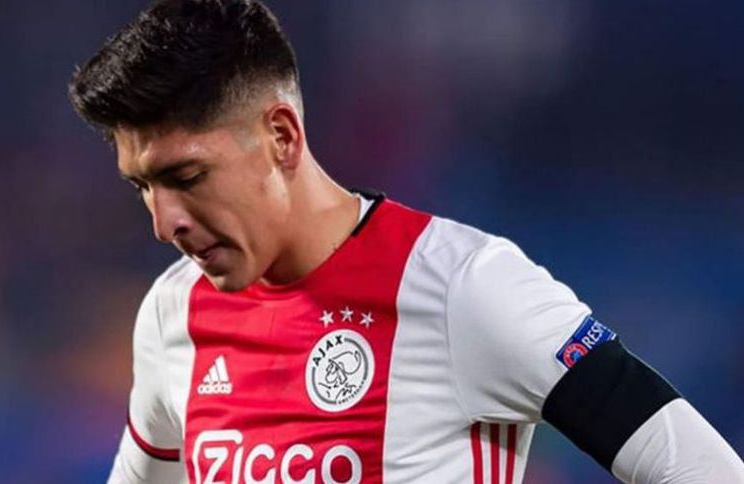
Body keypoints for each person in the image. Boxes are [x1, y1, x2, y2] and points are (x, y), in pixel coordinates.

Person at [67, 1, 744, 482]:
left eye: (187, 178)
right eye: (143, 187)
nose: (164, 222)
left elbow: (699, 468)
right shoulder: (173, 313)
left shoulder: (463, 286)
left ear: (281, 137)